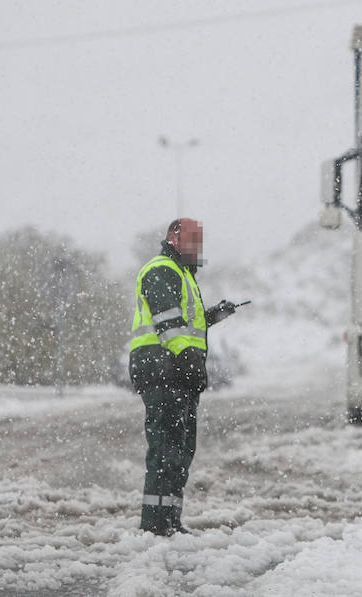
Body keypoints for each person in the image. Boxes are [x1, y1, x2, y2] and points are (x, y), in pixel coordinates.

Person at [128, 218, 237, 536]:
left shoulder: (182, 274)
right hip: (163, 370)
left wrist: (215, 314)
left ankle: (170, 520)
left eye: (199, 241)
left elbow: (188, 321)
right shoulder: (162, 269)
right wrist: (188, 358)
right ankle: (155, 526)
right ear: (173, 239)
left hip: (176, 373)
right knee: (165, 449)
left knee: (180, 449)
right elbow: (167, 320)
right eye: (191, 240)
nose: (197, 247)